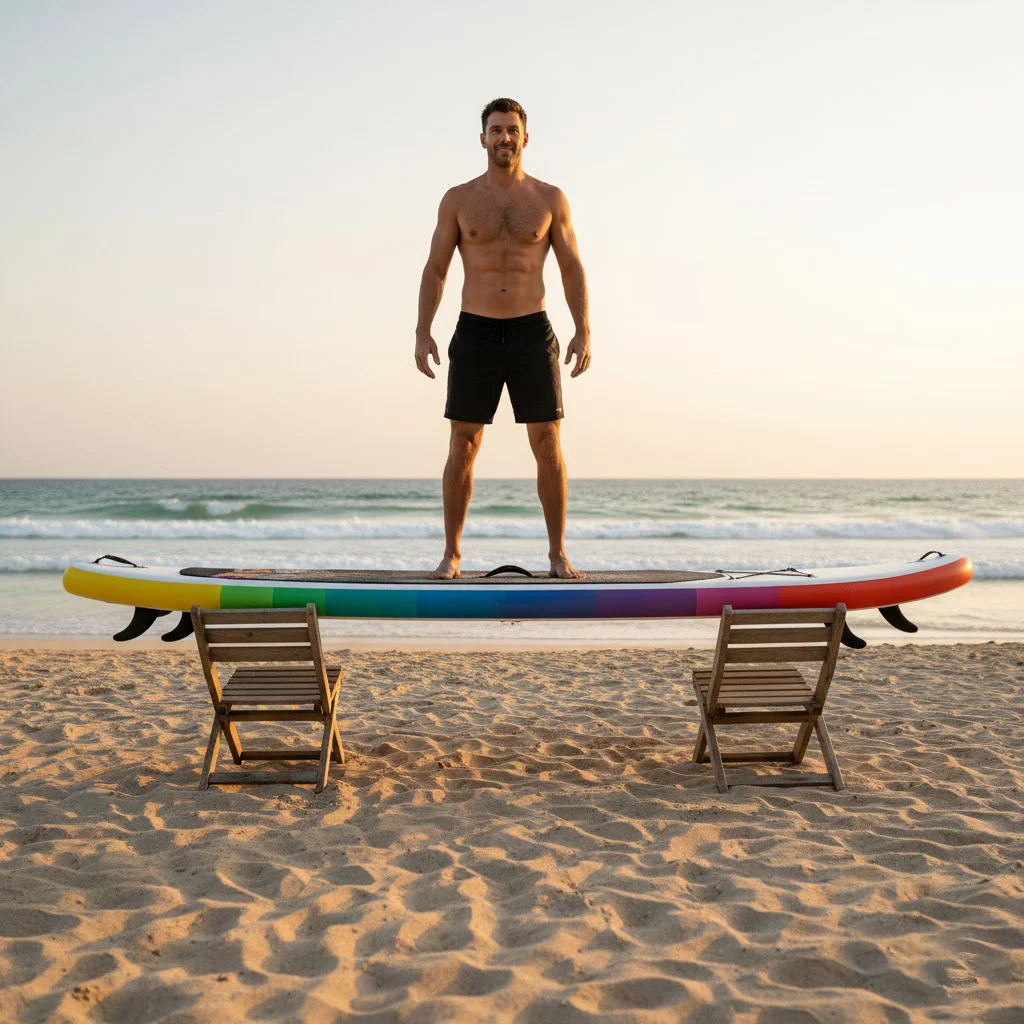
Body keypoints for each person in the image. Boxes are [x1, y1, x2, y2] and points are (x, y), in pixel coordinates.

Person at [414, 98, 591, 580]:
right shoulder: (458, 199)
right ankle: (451, 554)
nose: (504, 138)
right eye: (496, 130)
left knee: (548, 442)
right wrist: (422, 330)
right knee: (462, 445)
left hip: (533, 331)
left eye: (512, 130)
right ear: (483, 138)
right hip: (475, 331)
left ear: (525, 138)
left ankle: (557, 553)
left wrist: (583, 329)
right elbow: (436, 269)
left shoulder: (550, 198)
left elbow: (571, 266)